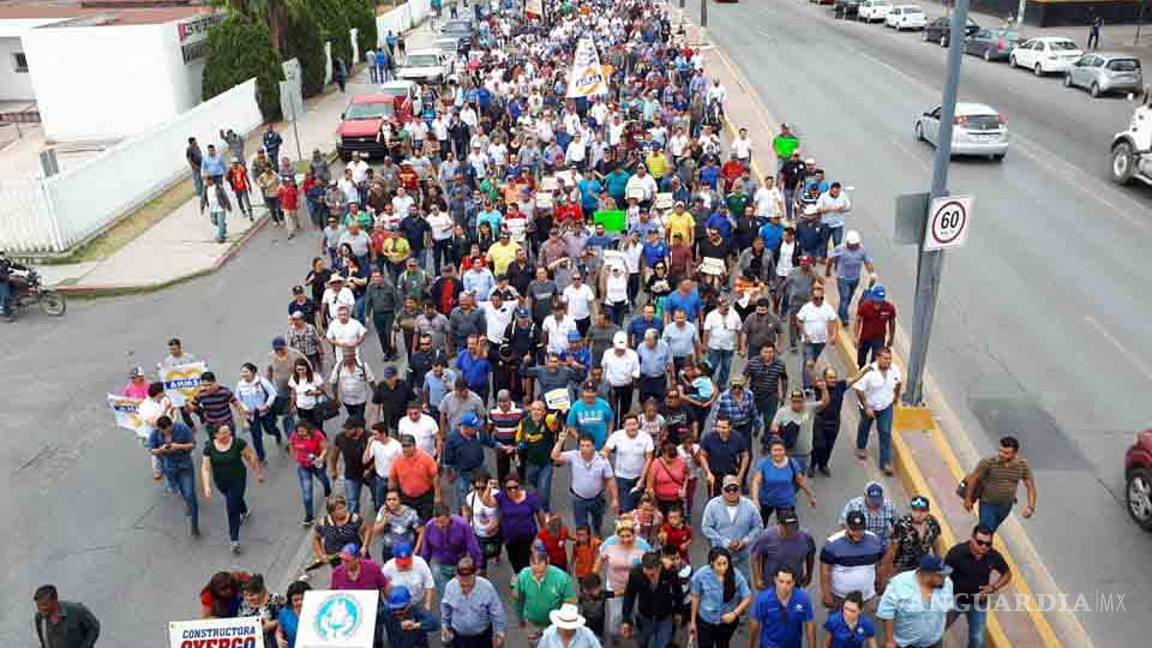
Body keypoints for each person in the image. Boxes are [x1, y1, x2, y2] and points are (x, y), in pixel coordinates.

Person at [945, 524, 1012, 648]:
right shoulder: (956, 553)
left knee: (978, 640)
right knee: (936, 630)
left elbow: (1007, 574)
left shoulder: (993, 556)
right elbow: (943, 575)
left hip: (978, 604)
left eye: (988, 544)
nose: (984, 547)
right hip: (955, 600)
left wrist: (993, 587)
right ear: (972, 538)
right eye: (980, 542)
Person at [200, 424, 264, 553]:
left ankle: (234, 539)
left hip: (238, 479)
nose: (227, 435)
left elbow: (251, 456)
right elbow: (206, 468)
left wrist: (258, 473)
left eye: (228, 432)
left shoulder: (238, 443)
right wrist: (206, 486)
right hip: (221, 482)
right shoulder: (209, 448)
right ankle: (244, 510)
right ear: (216, 435)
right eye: (223, 433)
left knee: (231, 508)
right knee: (234, 500)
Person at [962, 435, 1037, 533]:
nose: (1001, 454)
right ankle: (977, 545)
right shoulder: (988, 463)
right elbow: (973, 479)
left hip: (1006, 507)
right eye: (1000, 451)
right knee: (986, 530)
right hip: (988, 504)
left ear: (1015, 453)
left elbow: (1030, 486)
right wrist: (968, 499)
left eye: (1006, 453)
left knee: (991, 530)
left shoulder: (1022, 465)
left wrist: (1030, 507)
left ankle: (979, 543)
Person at [875, 555, 954, 648]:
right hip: (905, 644)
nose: (945, 577)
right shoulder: (899, 584)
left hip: (934, 643)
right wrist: (889, 641)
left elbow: (949, 610)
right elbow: (887, 613)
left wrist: (939, 632)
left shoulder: (947, 583)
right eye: (941, 575)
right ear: (927, 574)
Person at [552, 431, 619, 537]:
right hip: (579, 499)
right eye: (582, 445)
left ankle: (597, 536)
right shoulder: (574, 455)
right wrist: (560, 442)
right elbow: (555, 457)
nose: (584, 448)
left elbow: (610, 478)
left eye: (587, 446)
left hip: (596, 498)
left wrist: (615, 499)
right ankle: (584, 545)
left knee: (597, 523)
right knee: (581, 527)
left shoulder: (602, 459)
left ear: (593, 446)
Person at [819, 511, 884, 610]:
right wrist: (826, 594)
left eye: (860, 530)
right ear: (847, 527)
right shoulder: (832, 544)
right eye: (853, 530)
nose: (857, 533)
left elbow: (879, 565)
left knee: (863, 624)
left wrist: (879, 583)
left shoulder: (874, 540)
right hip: (840, 598)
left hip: (866, 597)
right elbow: (825, 571)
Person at [702, 475, 764, 578]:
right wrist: (725, 542)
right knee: (719, 588)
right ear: (722, 490)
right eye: (728, 489)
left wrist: (745, 541)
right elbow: (706, 527)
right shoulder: (712, 506)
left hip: (742, 558)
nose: (731, 492)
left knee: (743, 587)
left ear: (739, 489)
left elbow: (758, 526)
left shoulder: (749, 506)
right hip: (719, 558)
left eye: (735, 489)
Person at [593, 518, 646, 639]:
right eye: (622, 536)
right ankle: (614, 635)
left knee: (634, 611)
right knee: (616, 616)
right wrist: (593, 580)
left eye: (629, 536)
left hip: (635, 589)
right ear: (617, 535)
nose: (625, 539)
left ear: (634, 534)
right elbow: (600, 560)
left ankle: (631, 628)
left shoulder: (643, 545)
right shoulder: (610, 543)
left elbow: (651, 563)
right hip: (613, 587)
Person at [690, 547, 753, 648]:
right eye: (718, 564)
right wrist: (693, 621)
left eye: (725, 563)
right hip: (705, 621)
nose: (723, 568)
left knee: (723, 645)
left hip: (726, 623)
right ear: (711, 563)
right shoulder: (701, 574)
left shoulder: (736, 575)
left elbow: (748, 597)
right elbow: (695, 596)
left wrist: (734, 614)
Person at [619, 551, 685, 648]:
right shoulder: (635, 573)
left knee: (662, 644)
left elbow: (678, 592)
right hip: (644, 615)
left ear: (659, 567)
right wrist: (625, 620)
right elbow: (629, 595)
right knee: (642, 642)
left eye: (652, 571)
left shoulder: (670, 572)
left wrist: (679, 611)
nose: (649, 573)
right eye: (646, 570)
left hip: (665, 616)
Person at [440, 556, 508, 648]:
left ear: (476, 574)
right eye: (462, 582)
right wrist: (445, 625)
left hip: (482, 638)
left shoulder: (487, 587)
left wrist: (500, 634)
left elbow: (497, 612)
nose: (465, 585)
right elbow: (445, 607)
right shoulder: (450, 586)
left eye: (468, 581)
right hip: (459, 638)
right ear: (456, 575)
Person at [148, 415, 199, 536]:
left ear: (171, 425)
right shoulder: (155, 433)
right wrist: (161, 449)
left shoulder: (182, 428)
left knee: (190, 493)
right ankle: (188, 503)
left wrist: (178, 446)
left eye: (168, 430)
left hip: (184, 465)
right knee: (181, 490)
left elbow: (192, 444)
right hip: (169, 466)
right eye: (163, 431)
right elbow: (151, 450)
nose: (165, 433)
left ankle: (194, 524)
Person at [853, 348, 902, 475]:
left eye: (889, 358)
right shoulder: (868, 371)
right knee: (865, 425)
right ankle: (861, 446)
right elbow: (859, 389)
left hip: (886, 406)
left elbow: (898, 383)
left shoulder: (894, 370)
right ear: (878, 358)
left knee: (885, 432)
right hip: (869, 405)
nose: (888, 361)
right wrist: (866, 406)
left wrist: (896, 397)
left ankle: (885, 462)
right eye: (885, 358)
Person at [750, 437, 817, 527]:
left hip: (786, 502)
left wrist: (811, 495)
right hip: (766, 500)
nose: (777, 453)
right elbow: (756, 482)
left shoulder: (792, 463)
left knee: (786, 527)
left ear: (785, 450)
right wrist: (755, 500)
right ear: (770, 451)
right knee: (761, 525)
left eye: (780, 450)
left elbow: (800, 481)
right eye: (775, 450)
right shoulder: (764, 463)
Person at [514, 551, 579, 642]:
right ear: (530, 564)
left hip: (555, 624)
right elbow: (518, 599)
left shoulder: (562, 578)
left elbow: (571, 602)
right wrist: (519, 617)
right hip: (532, 624)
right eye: (534, 572)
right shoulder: (523, 575)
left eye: (541, 572)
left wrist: (564, 624)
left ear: (548, 563)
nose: (537, 576)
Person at [420, 503, 484, 591]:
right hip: (439, 564)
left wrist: (477, 565)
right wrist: (423, 568)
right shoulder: (429, 527)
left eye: (442, 522)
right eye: (437, 522)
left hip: (459, 563)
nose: (440, 525)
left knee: (463, 590)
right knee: (446, 593)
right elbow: (426, 549)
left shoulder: (462, 525)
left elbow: (472, 545)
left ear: (449, 516)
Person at [749, 565, 816, 648]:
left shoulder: (803, 599)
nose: (784, 586)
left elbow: (809, 624)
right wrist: (751, 645)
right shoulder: (763, 599)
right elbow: (755, 623)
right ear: (775, 580)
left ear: (794, 582)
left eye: (788, 582)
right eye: (781, 581)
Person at [880, 495, 942, 582]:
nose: (918, 514)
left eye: (922, 511)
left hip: (922, 565)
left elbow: (936, 544)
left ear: (928, 511)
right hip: (903, 567)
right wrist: (886, 575)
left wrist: (938, 561)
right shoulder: (901, 525)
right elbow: (892, 551)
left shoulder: (932, 523)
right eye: (915, 510)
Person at [750, 511, 816, 592]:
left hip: (794, 582)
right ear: (780, 525)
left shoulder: (806, 537)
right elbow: (755, 556)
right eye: (787, 529)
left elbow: (810, 555)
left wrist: (809, 575)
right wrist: (758, 578)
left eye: (794, 528)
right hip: (771, 583)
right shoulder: (766, 537)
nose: (791, 532)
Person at [603, 413, 655, 513]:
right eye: (629, 424)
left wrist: (642, 479)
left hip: (639, 477)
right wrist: (602, 454)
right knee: (625, 508)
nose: (632, 427)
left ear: (638, 425)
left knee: (640, 508)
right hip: (622, 478)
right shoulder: (616, 436)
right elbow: (606, 451)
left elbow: (649, 459)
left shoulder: (646, 437)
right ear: (624, 426)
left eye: (634, 424)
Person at [289, 421, 332, 526]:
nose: (300, 433)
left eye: (303, 431)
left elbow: (325, 448)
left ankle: (327, 490)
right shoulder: (295, 436)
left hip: (317, 464)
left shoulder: (317, 435)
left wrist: (321, 458)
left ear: (308, 429)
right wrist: (294, 455)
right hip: (303, 466)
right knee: (307, 492)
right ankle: (309, 516)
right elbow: (291, 444)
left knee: (323, 478)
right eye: (299, 431)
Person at [391, 434, 441, 520]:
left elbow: (435, 476)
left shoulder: (426, 458)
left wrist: (437, 495)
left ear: (414, 445)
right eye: (403, 446)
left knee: (425, 520)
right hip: (406, 498)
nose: (405, 449)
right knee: (409, 522)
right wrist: (393, 495)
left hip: (425, 497)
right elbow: (393, 478)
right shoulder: (397, 461)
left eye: (408, 446)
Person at [33, 584, 100, 648]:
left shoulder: (76, 610)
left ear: (55, 600)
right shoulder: (39, 618)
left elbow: (94, 627)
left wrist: (86, 646)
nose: (42, 608)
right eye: (39, 605)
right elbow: (44, 643)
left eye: (45, 604)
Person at [700, 417, 750, 497]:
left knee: (731, 498)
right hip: (714, 475)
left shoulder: (738, 437)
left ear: (730, 427)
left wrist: (740, 475)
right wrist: (708, 473)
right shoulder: (709, 437)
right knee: (714, 500)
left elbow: (745, 456)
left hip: (731, 473)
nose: (720, 430)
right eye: (718, 427)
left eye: (724, 428)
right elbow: (702, 455)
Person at [372, 488, 424, 562]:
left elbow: (421, 531)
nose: (391, 502)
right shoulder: (383, 510)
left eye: (394, 499)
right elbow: (375, 531)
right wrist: (384, 521)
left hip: (406, 550)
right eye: (389, 499)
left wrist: (416, 551)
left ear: (400, 500)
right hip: (389, 550)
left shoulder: (410, 513)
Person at [854, 285, 895, 368]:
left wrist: (891, 337)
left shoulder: (889, 308)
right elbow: (858, 320)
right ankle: (861, 369)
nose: (878, 302)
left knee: (876, 361)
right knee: (861, 358)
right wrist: (856, 336)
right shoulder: (865, 306)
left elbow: (892, 322)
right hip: (865, 336)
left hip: (879, 338)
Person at [238, 574, 284, 647]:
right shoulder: (244, 605)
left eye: (252, 595)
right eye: (245, 595)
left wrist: (273, 624)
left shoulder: (275, 599)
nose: (248, 598)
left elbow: (289, 618)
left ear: (262, 591)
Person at [275, 581, 311, 648]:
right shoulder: (284, 613)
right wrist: (279, 639)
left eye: (303, 598)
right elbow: (279, 630)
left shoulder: (318, 610)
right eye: (296, 600)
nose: (300, 602)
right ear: (291, 602)